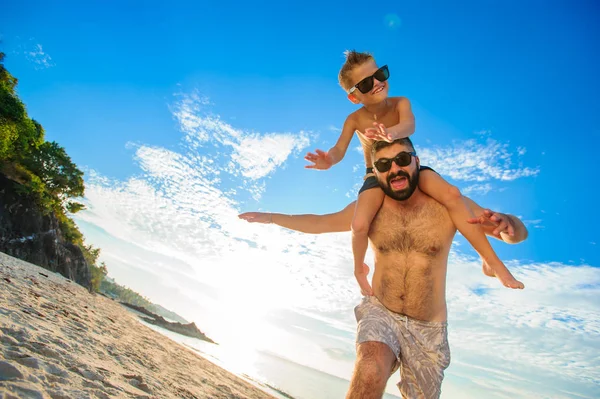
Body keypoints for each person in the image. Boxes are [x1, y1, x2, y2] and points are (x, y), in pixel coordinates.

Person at [240, 138, 528, 399]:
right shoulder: (371, 209)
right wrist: (271, 217)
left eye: (403, 160)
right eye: (384, 164)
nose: (395, 169)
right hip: (381, 311)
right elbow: (320, 222)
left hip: (428, 328)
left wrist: (508, 223)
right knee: (369, 369)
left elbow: (514, 234)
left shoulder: (450, 204)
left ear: (417, 162)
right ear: (374, 173)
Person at [303, 50, 523, 294]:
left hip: (410, 168)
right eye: (366, 83)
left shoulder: (400, 103)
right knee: (359, 223)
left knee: (451, 194)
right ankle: (359, 270)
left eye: (380, 74)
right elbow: (339, 149)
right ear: (354, 97)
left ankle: (493, 264)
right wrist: (329, 160)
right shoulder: (354, 119)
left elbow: (410, 124)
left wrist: (393, 133)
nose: (377, 83)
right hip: (376, 176)